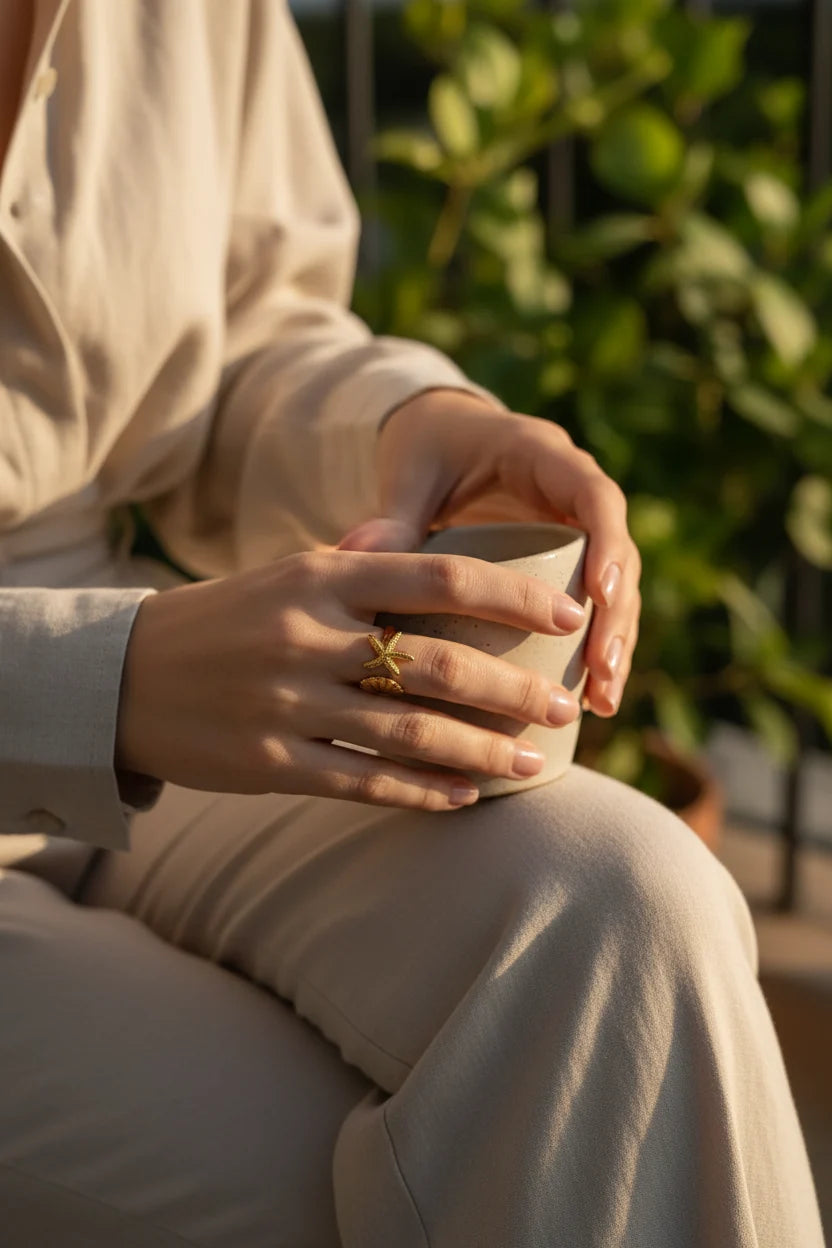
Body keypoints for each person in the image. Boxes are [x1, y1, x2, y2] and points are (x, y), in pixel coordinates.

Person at [0, 1, 823, 1245]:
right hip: (114, 699)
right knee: (388, 1169)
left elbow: (241, 336)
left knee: (627, 906)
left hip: (133, 753)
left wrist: (411, 430)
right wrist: (91, 688)